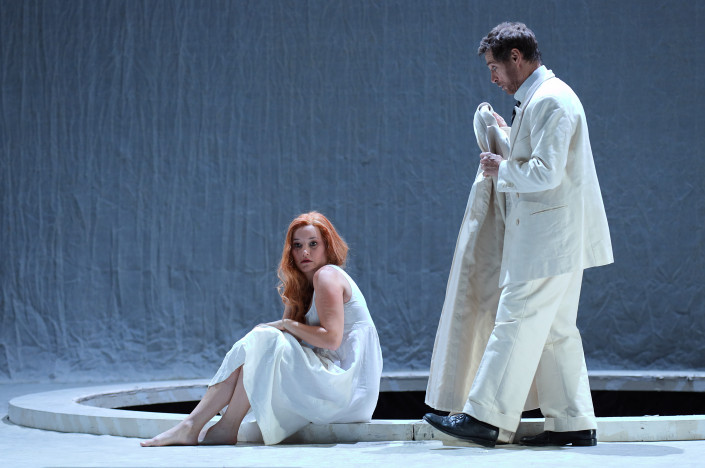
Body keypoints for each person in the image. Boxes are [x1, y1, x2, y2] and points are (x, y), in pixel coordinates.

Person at [424, 22, 613, 447]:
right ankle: (573, 422)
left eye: (495, 67)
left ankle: (484, 418)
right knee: (556, 332)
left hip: (548, 239)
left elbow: (546, 173)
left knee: (515, 319)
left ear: (516, 57)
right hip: (557, 237)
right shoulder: (544, 99)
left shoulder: (550, 100)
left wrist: (500, 167)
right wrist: (507, 137)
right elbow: (545, 161)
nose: (493, 78)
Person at [141, 212, 383, 446]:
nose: (305, 252)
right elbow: (282, 340)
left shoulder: (327, 275)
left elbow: (331, 340)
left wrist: (285, 324)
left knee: (265, 337)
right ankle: (216, 427)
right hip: (337, 386)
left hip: (349, 390)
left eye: (313, 244)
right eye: (297, 245)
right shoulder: (305, 284)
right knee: (264, 341)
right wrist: (288, 313)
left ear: (328, 246)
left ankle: (200, 426)